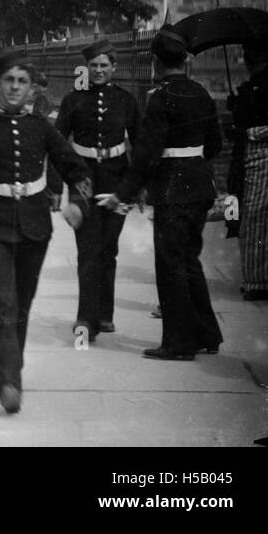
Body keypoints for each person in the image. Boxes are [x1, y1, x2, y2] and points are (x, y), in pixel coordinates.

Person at [0, 53, 91, 414]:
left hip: (35, 228)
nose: (14, 88)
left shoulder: (42, 128)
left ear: (31, 87)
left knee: (22, 305)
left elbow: (77, 168)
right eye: (9, 80)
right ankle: (9, 382)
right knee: (2, 305)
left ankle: (12, 366)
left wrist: (78, 204)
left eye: (22, 82)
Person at [97, 28, 224, 359]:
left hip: (171, 191)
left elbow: (145, 154)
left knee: (171, 265)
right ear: (184, 61)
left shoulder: (160, 98)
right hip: (199, 187)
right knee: (190, 260)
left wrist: (122, 193)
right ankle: (207, 334)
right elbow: (215, 145)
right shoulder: (202, 94)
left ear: (155, 62)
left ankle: (179, 343)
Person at [54, 39, 139, 340]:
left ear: (114, 68)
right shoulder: (73, 100)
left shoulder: (126, 100)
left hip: (116, 178)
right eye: (94, 65)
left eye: (104, 65)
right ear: (86, 68)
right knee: (88, 250)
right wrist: (56, 188)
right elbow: (57, 145)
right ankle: (86, 319)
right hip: (83, 180)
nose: (99, 70)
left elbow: (140, 146)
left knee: (109, 248)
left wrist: (135, 188)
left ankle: (105, 314)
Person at [226, 36, 268, 301]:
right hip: (245, 155)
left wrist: (249, 131)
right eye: (248, 53)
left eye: (255, 54)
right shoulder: (252, 86)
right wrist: (236, 106)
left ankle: (263, 280)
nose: (249, 59)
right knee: (242, 212)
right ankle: (256, 277)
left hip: (266, 157)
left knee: (260, 217)